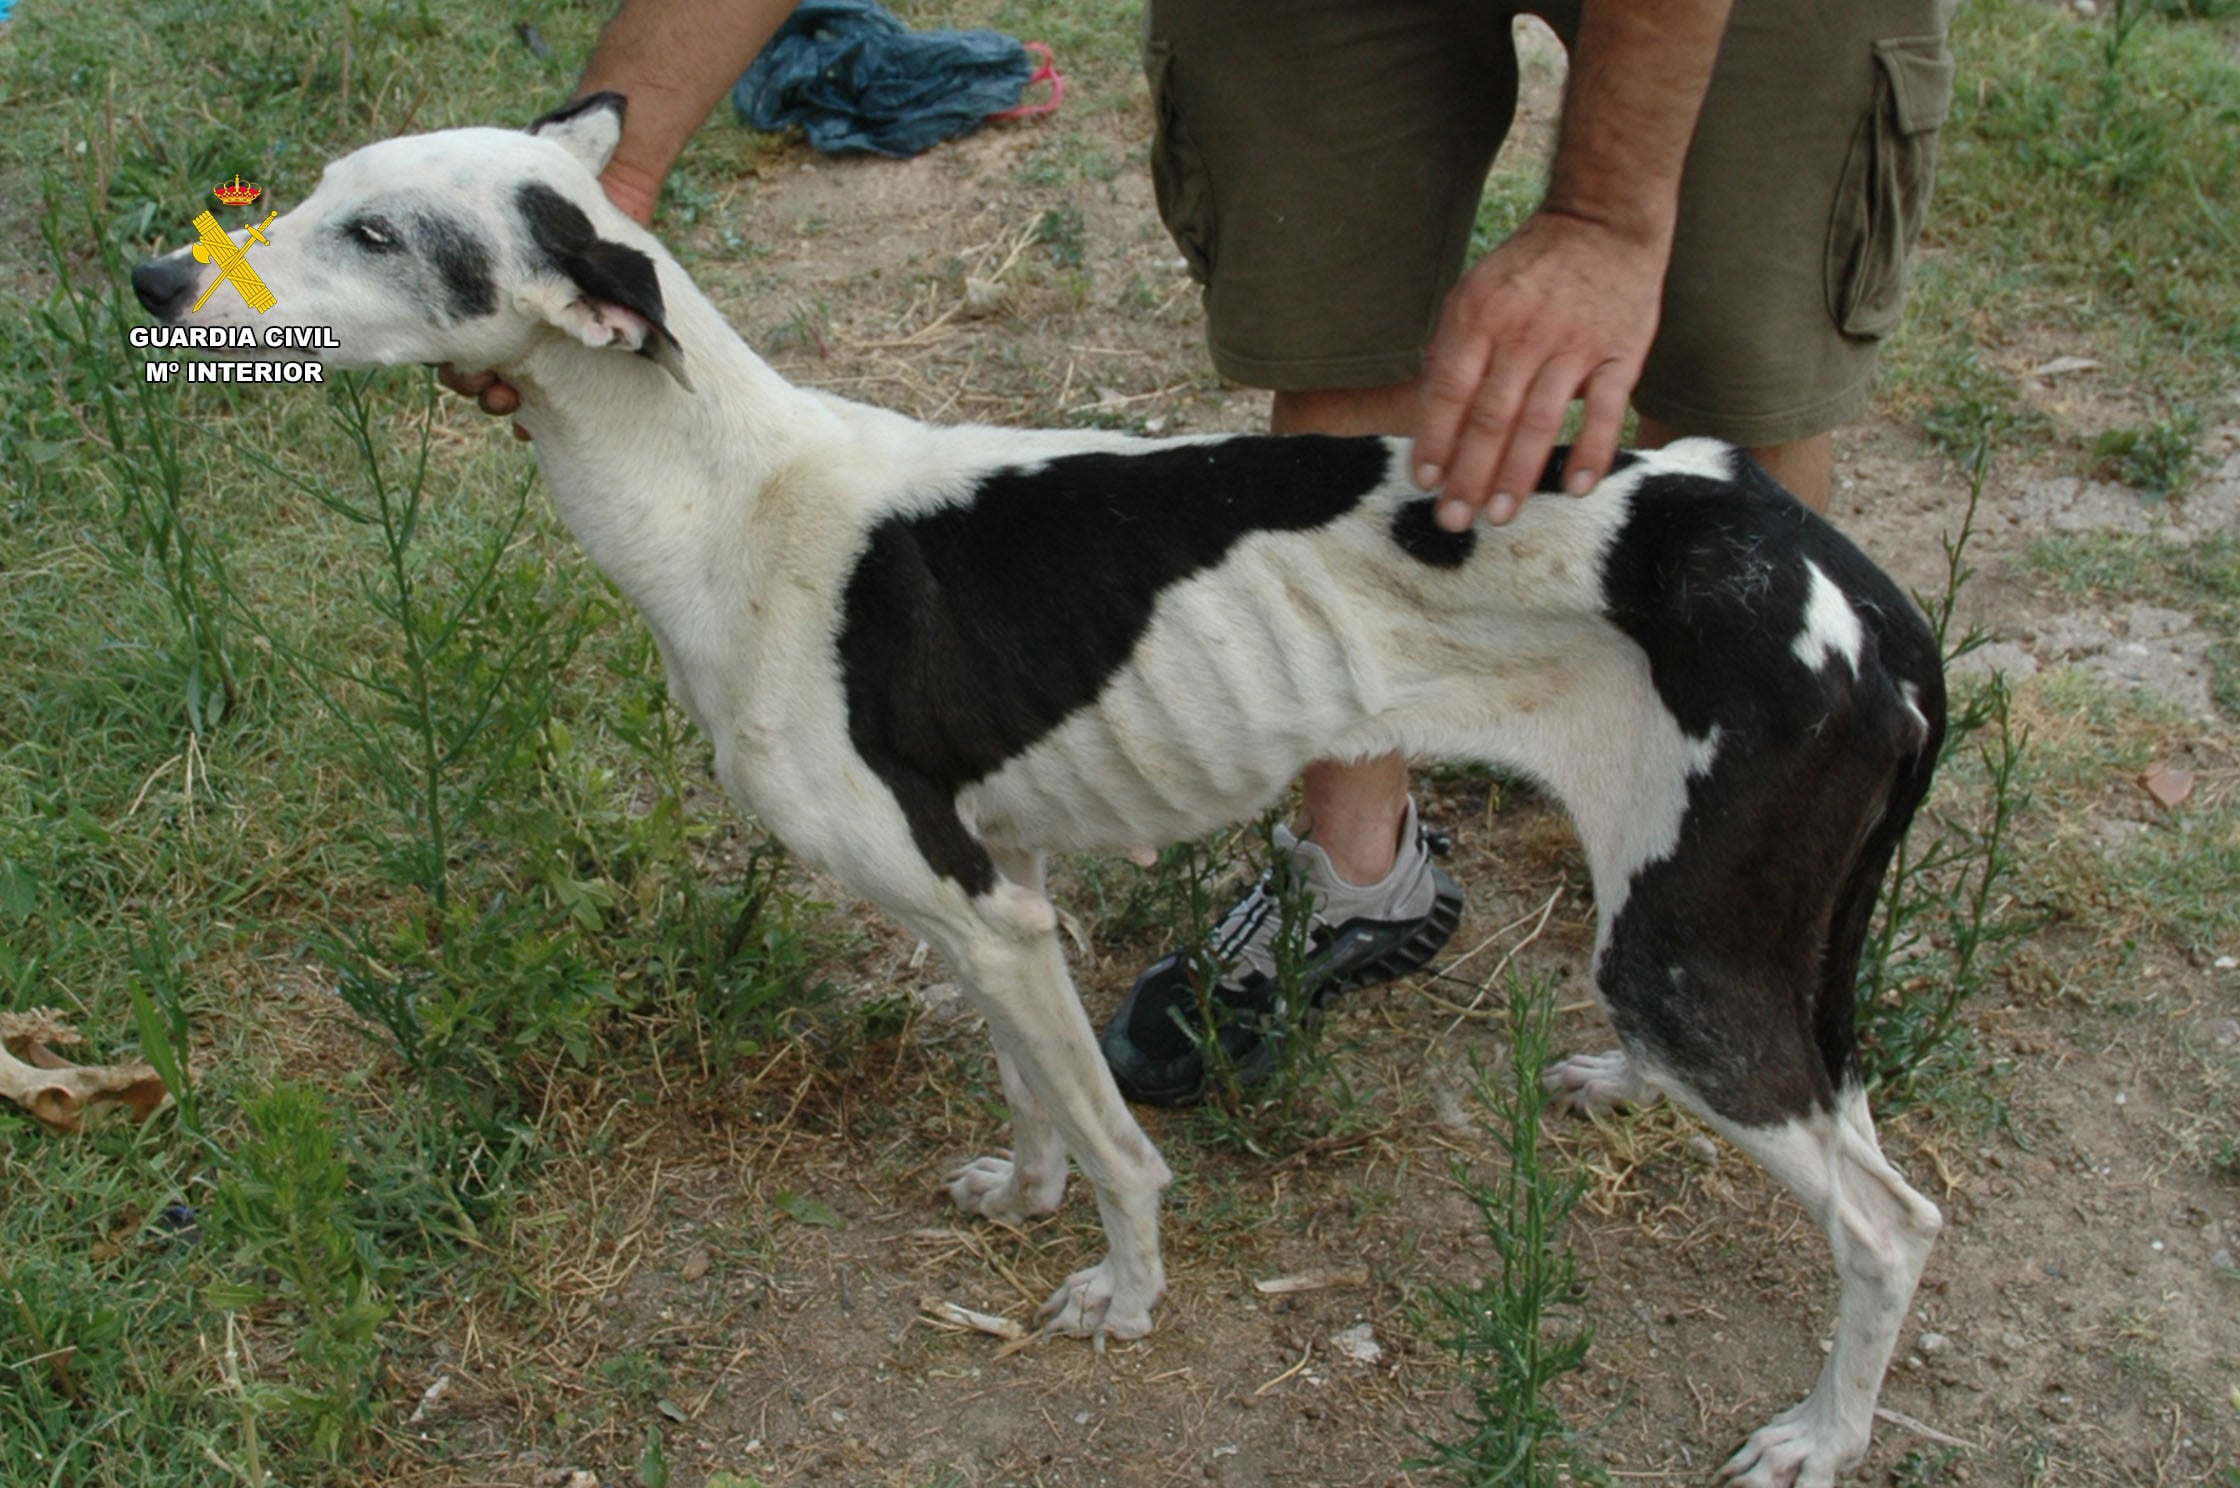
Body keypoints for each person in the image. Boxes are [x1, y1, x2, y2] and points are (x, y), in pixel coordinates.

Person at [449, 0, 1958, 1107]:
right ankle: (1357, 878)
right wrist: (593, 196)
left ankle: (1740, 899)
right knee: (1333, 320)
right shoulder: (314, 330)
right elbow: (310, 332)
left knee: (1741, 358)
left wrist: (1610, 215)